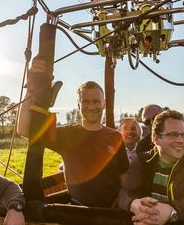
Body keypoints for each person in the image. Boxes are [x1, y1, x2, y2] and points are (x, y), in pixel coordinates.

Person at [18, 60, 129, 208]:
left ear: (103, 104)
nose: (91, 106)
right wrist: (31, 89)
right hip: (78, 212)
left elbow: (123, 176)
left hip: (110, 213)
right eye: (86, 102)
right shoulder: (67, 135)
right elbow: (24, 129)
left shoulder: (115, 137)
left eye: (96, 102)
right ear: (79, 105)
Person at [118, 110, 184, 225]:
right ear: (156, 138)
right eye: (173, 134)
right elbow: (125, 194)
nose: (181, 140)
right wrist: (134, 204)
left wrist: (171, 211)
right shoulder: (143, 161)